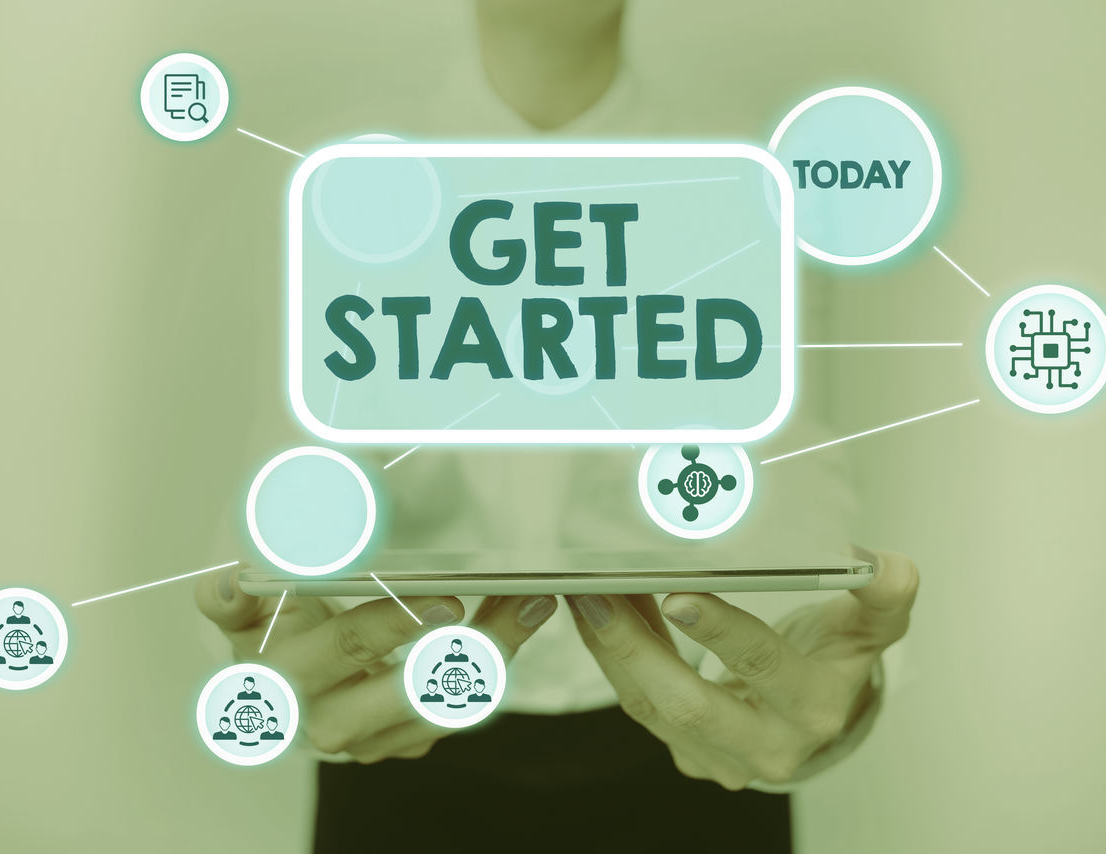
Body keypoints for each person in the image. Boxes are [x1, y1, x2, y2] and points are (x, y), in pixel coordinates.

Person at [196, 2, 918, 850]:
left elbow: (796, 492)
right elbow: (290, 493)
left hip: (693, 752)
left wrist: (843, 707)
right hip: (400, 757)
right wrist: (273, 665)